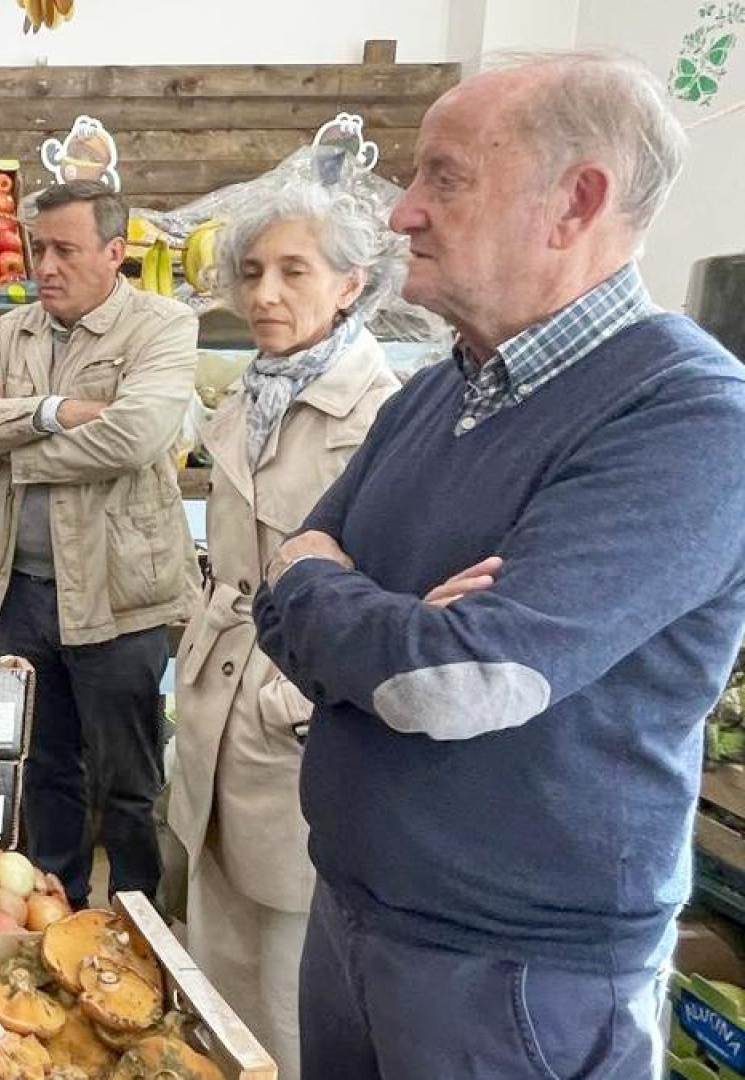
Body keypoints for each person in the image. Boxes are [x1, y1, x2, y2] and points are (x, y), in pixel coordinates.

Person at [254, 52, 745, 1078]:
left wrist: (336, 591)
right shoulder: (434, 394)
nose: (403, 214)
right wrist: (377, 613)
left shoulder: (690, 416)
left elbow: (459, 680)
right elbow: (279, 591)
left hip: (519, 977)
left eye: (445, 177)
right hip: (353, 913)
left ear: (577, 202)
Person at [167, 182, 403, 1080]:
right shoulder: (244, 395)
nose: (265, 294)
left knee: (292, 979)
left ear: (350, 283)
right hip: (218, 697)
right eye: (253, 271)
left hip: (299, 710)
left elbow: (390, 588)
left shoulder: (383, 414)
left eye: (294, 271)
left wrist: (298, 694)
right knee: (216, 949)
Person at [0, 180, 198, 905]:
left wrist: (14, 446)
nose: (45, 267)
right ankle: (58, 912)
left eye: (65, 251)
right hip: (17, 593)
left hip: (120, 595)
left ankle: (136, 921)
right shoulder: (12, 330)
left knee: (127, 779)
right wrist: (54, 411)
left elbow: (134, 436)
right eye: (38, 248)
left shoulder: (160, 326)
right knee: (44, 768)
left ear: (114, 252)